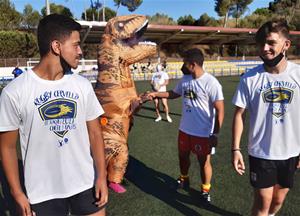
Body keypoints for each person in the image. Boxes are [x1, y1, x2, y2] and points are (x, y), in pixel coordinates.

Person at [0, 14, 108, 216]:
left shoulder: (82, 86)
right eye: (75, 45)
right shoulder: (14, 92)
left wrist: (101, 175)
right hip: (42, 193)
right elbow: (6, 147)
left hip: (85, 183)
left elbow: (95, 134)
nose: (80, 51)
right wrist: (17, 193)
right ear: (57, 46)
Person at [232, 20, 300, 216]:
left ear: (286, 45)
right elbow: (239, 114)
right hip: (261, 153)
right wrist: (236, 149)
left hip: (291, 152)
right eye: (261, 43)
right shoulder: (250, 78)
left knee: (279, 199)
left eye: (271, 43)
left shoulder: (298, 74)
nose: (265, 48)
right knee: (263, 202)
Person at [147, 48, 224, 202]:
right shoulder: (185, 79)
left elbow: (220, 110)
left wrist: (215, 134)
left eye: (185, 62)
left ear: (193, 64)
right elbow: (173, 94)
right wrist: (155, 94)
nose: (183, 65)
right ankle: (184, 179)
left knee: (204, 162)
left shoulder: (211, 83)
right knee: (182, 157)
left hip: (203, 133)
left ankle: (205, 190)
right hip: (184, 130)